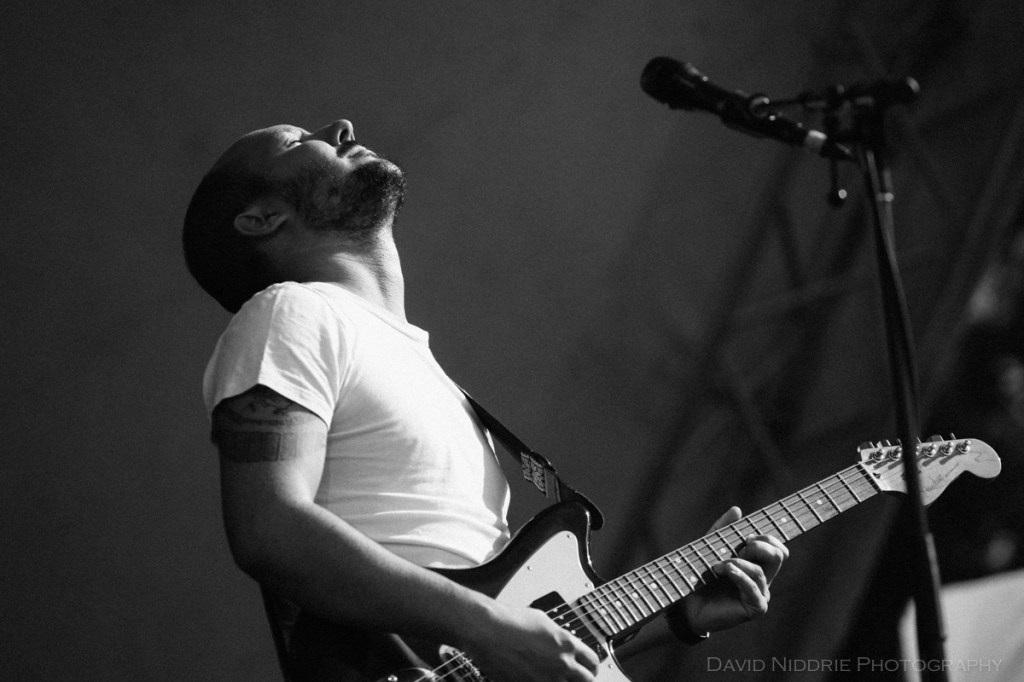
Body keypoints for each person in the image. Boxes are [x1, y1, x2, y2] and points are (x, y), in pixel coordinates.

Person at [183, 118, 789, 682]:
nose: (338, 126)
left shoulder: (427, 374)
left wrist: (676, 616)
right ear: (261, 218)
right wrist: (488, 626)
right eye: (296, 142)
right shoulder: (293, 312)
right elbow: (269, 529)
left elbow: (512, 646)